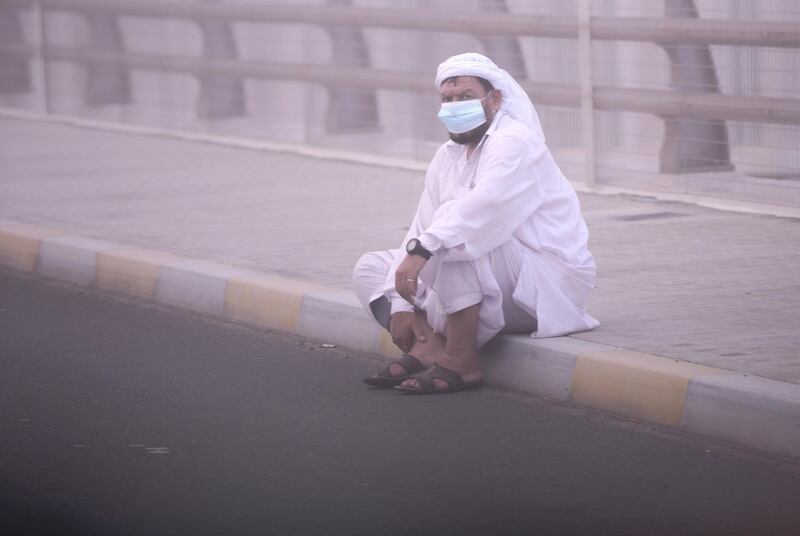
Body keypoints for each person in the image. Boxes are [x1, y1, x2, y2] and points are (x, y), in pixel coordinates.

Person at [352, 52, 599, 395]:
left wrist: (423, 250)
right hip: (487, 276)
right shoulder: (447, 155)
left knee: (455, 239)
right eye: (447, 98)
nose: (454, 105)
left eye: (465, 97)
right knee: (371, 267)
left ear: (495, 99)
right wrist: (401, 303)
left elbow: (485, 209)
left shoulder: (515, 142)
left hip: (541, 286)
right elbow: (421, 227)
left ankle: (461, 362)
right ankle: (427, 348)